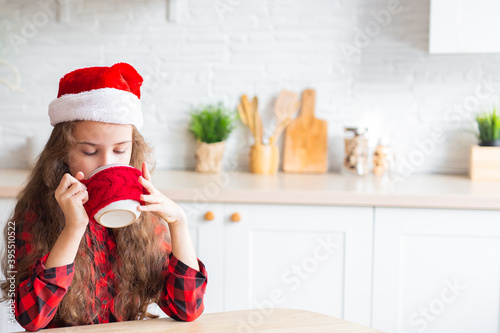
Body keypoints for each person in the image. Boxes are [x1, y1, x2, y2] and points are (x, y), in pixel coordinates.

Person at [0, 63, 207, 331]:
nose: (105, 163)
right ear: (62, 153)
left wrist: (178, 224)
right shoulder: (33, 213)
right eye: (89, 152)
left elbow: (188, 309)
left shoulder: (143, 218)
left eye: (120, 150)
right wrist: (73, 229)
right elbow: (31, 318)